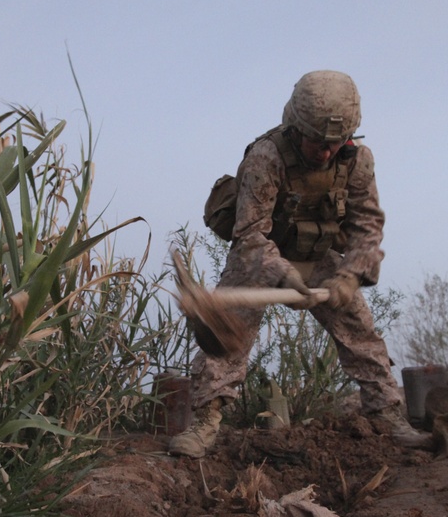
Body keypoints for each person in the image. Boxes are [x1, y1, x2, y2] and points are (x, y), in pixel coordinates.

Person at [169, 70, 432, 458]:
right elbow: (250, 234)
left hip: (320, 256)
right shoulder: (267, 157)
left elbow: (367, 224)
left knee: (361, 331)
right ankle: (206, 424)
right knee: (227, 334)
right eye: (316, 143)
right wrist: (283, 274)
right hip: (262, 256)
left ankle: (387, 415)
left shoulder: (358, 161)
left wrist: (349, 274)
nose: (325, 153)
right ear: (295, 127)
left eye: (334, 144)